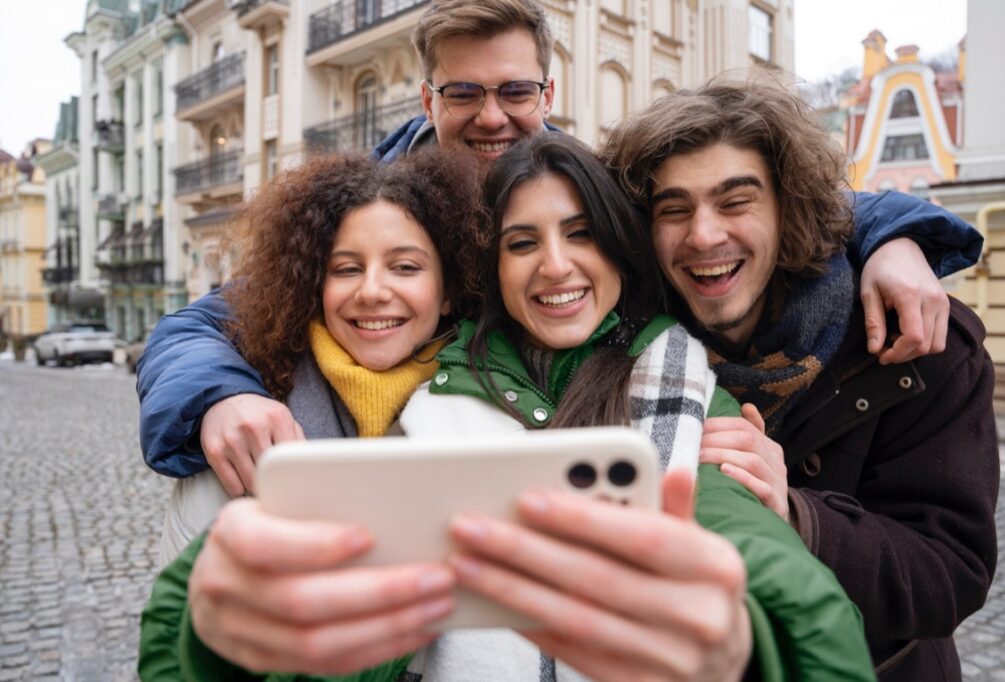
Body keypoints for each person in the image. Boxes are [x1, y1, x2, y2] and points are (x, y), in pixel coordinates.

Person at [137, 0, 983, 500]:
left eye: (514, 90)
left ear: (550, 90)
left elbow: (756, 202)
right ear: (428, 95)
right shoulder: (367, 207)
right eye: (463, 92)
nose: (491, 115)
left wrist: (893, 236)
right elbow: (196, 329)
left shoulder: (589, 185)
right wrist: (216, 401)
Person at [149, 133, 875, 681]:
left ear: (622, 248)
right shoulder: (426, 391)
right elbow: (217, 605)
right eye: (522, 242)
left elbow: (779, 584)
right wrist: (217, 627)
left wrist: (750, 640)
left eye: (581, 233)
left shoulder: (683, 383)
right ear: (489, 267)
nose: (555, 265)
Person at [601, 75, 1000, 681]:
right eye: (674, 209)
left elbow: (949, 575)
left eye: (736, 202)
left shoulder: (922, 343)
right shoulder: (625, 341)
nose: (704, 234)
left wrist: (795, 516)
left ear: (789, 209)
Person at [139, 147, 484, 677]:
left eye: (406, 267)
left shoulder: (490, 420)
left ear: (447, 291)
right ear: (314, 287)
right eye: (345, 269)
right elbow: (172, 653)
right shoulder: (242, 437)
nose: (373, 291)